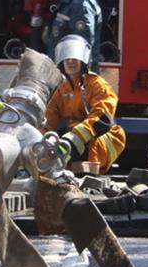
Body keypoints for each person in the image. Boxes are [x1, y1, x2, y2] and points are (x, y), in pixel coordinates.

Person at [44, 34, 126, 173]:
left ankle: (86, 170)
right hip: (75, 138)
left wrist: (72, 139)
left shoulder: (96, 84)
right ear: (61, 62)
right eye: (66, 58)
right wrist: (43, 142)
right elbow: (48, 117)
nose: (70, 61)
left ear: (84, 61)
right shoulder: (62, 88)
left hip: (102, 138)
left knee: (73, 138)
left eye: (75, 58)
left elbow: (102, 118)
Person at [45, 0, 102, 72]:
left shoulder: (80, 4)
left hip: (74, 73)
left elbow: (82, 45)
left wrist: (75, 78)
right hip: (64, 68)